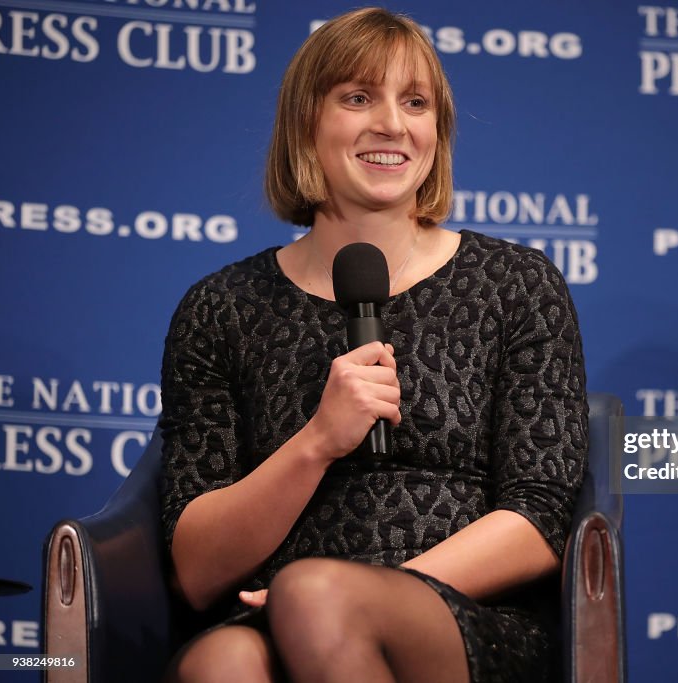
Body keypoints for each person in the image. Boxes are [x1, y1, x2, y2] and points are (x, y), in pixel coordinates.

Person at [158, 7, 588, 683]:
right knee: (222, 660)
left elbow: (540, 515)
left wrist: (356, 594)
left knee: (318, 597)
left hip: (463, 615)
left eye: (414, 102)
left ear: (436, 131)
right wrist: (318, 440)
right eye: (358, 98)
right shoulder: (223, 308)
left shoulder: (515, 284)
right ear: (307, 123)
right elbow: (195, 568)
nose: (391, 123)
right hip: (271, 610)